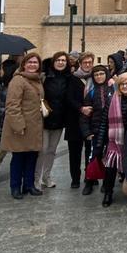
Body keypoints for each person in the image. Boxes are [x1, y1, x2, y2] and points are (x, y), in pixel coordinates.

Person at [96, 73, 127, 207]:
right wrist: (99, 144)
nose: (125, 86)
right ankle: (108, 192)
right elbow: (103, 123)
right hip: (116, 139)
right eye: (122, 84)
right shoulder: (112, 100)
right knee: (111, 166)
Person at [37, 51, 84, 191]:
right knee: (43, 149)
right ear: (53, 61)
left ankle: (46, 176)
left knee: (52, 150)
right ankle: (36, 178)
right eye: (58, 60)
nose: (61, 62)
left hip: (60, 119)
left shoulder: (69, 78)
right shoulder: (45, 77)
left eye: (63, 60)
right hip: (45, 118)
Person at [1, 53, 45, 199]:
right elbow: (12, 105)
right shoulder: (18, 80)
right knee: (18, 158)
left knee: (32, 156)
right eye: (30, 62)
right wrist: (18, 125)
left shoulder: (37, 80)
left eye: (35, 62)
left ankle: (29, 185)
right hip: (22, 126)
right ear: (24, 64)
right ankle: (15, 186)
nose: (33, 65)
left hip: (34, 125)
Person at [78, 63, 113, 195]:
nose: (99, 77)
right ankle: (89, 181)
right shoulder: (91, 93)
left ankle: (106, 182)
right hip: (95, 130)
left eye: (101, 74)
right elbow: (85, 115)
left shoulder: (113, 90)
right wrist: (87, 132)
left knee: (108, 157)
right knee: (93, 157)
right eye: (96, 74)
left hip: (110, 130)